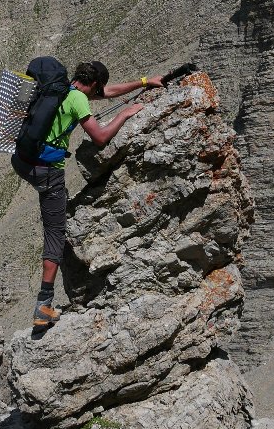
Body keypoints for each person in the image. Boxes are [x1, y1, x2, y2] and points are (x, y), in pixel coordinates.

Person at [11, 60, 164, 331]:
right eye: (98, 90)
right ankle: (44, 306)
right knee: (55, 233)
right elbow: (100, 137)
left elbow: (108, 92)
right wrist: (125, 114)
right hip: (48, 172)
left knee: (54, 219)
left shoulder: (62, 89)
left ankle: (46, 301)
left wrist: (143, 82)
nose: (99, 95)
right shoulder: (79, 100)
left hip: (25, 162)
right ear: (93, 85)